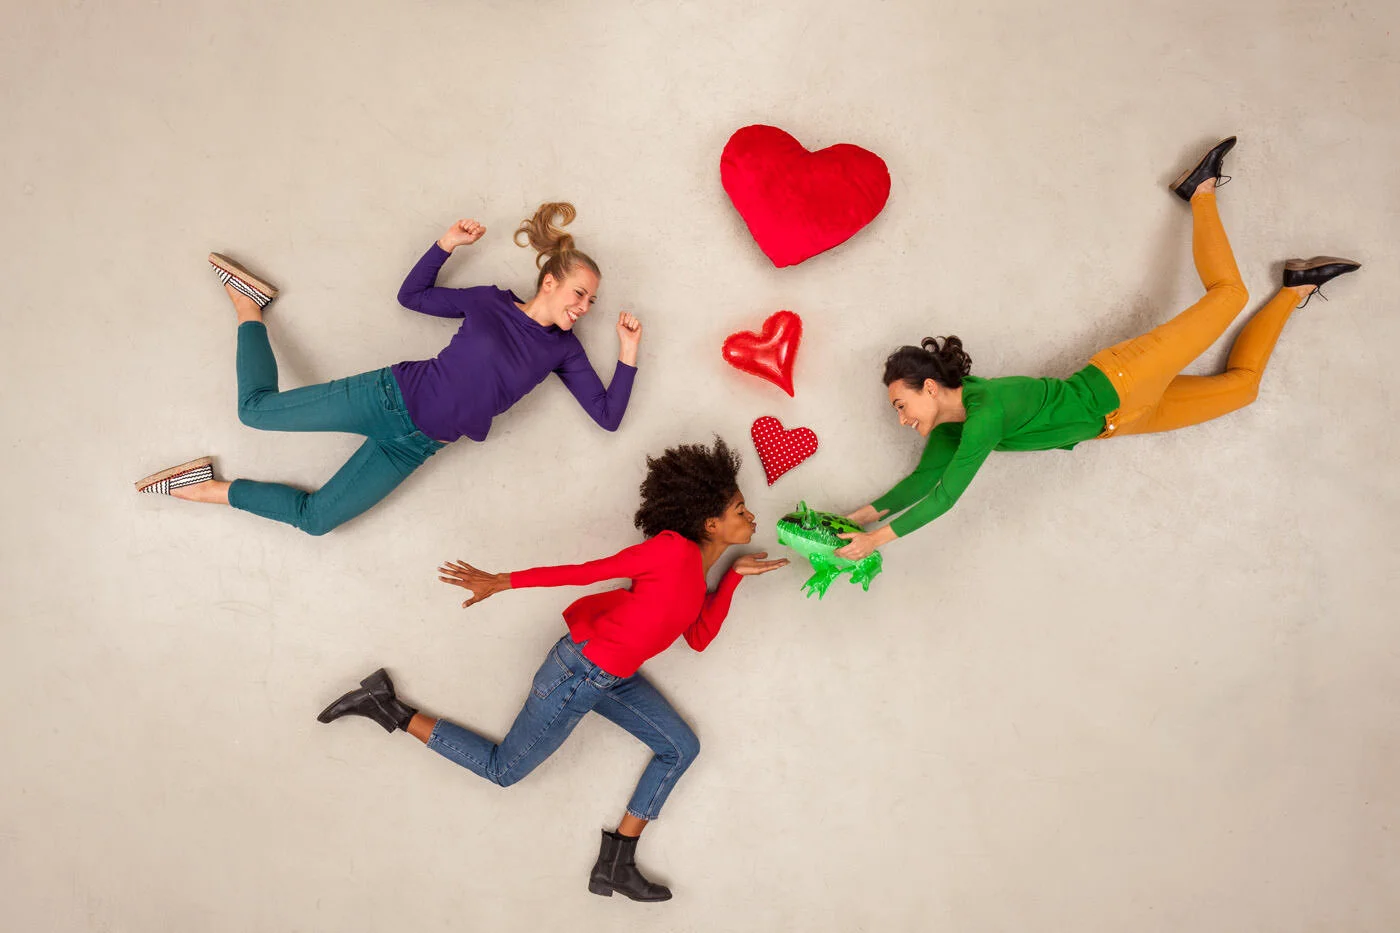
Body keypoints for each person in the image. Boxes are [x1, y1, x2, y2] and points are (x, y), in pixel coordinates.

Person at [835, 137, 1361, 560]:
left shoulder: (984, 410)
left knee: (1230, 295)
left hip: (1122, 380)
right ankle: (1295, 288)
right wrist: (851, 521)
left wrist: (875, 541)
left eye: (901, 403)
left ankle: (1199, 190)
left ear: (930, 387)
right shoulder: (953, 427)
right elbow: (922, 483)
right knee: (1243, 389)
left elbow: (947, 495)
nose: (900, 418)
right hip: (1120, 420)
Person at [315, 438, 787, 901]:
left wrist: (731, 580)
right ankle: (387, 706)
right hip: (576, 675)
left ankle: (615, 865)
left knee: (681, 748)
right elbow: (587, 571)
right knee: (503, 770)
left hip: (612, 678)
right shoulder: (669, 552)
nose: (751, 517)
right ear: (711, 523)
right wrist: (502, 581)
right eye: (740, 510)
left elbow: (698, 638)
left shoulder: (699, 576)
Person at [133, 203, 641, 535]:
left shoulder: (563, 351)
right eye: (580, 294)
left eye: (591, 301)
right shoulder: (490, 302)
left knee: (318, 520)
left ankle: (208, 488)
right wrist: (446, 243)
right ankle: (249, 303)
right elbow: (412, 296)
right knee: (255, 412)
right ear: (550, 282)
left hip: (414, 447)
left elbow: (608, 416)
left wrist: (627, 352)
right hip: (388, 398)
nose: (585, 307)